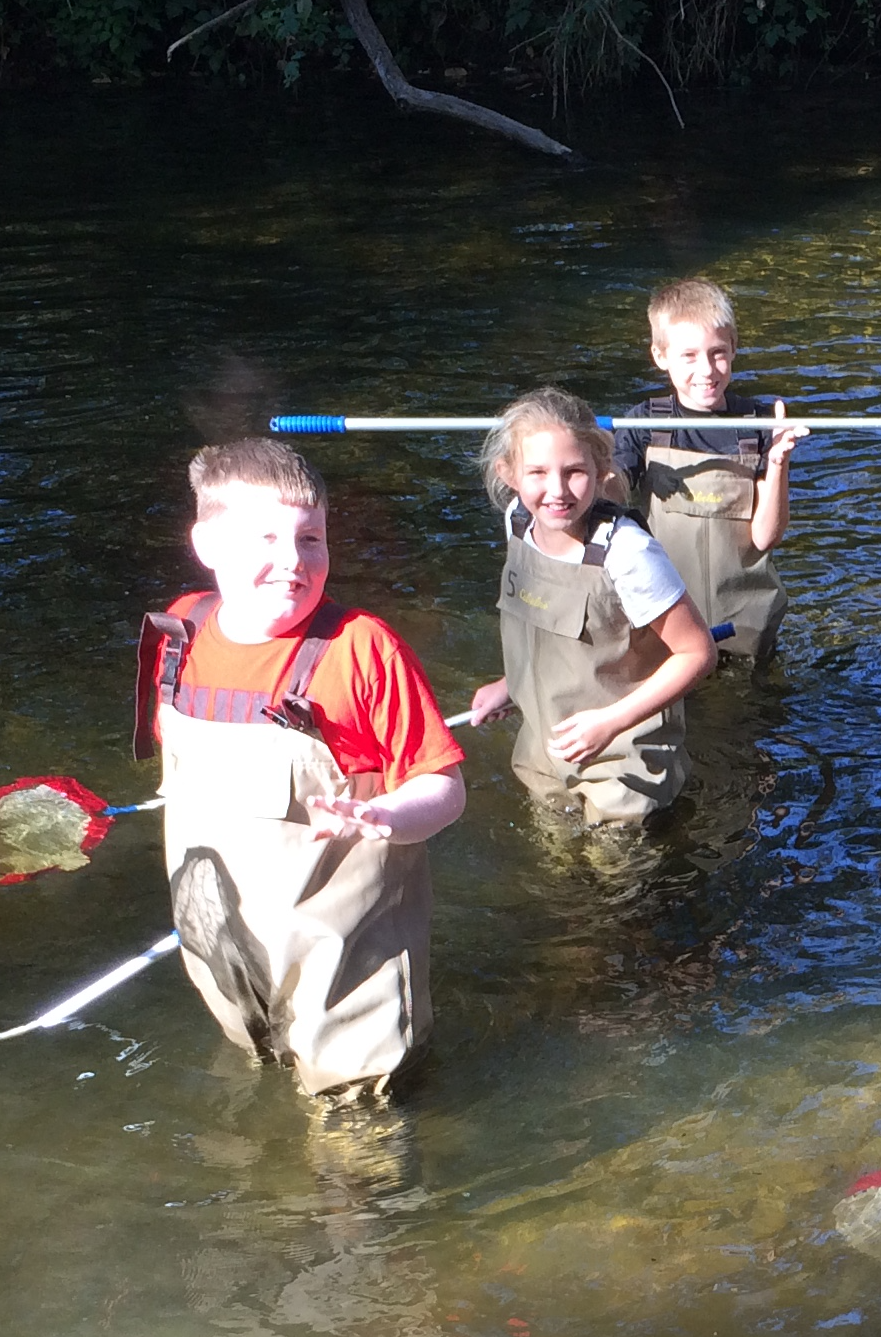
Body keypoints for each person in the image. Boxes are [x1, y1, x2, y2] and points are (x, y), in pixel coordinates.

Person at [135, 437, 465, 1097]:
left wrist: (385, 815)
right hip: (224, 951)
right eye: (266, 539)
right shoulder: (176, 634)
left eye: (310, 539)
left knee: (358, 1141)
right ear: (207, 543)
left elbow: (445, 789)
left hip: (347, 970)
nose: (293, 562)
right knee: (254, 1105)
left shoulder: (360, 649)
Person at [466, 388, 717, 825]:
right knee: (555, 875)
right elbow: (548, 631)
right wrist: (512, 682)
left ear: (601, 470)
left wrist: (610, 722)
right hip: (544, 753)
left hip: (624, 769)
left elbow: (697, 653)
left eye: (574, 471)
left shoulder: (628, 554)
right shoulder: (518, 523)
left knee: (617, 883)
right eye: (538, 472)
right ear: (508, 473)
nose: (557, 490)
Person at [608, 277, 807, 665]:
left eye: (718, 353)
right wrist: (590, 470)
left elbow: (766, 536)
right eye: (689, 356)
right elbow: (613, 491)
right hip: (668, 628)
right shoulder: (643, 422)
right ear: (660, 356)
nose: (707, 370)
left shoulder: (760, 425)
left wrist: (780, 460)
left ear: (733, 348)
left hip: (745, 626)